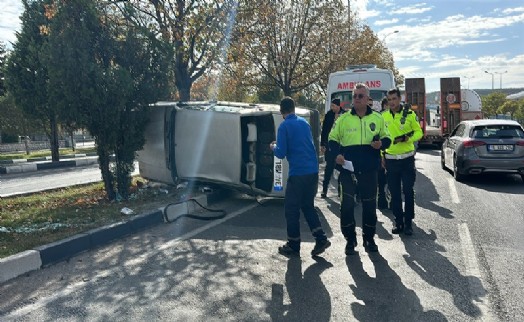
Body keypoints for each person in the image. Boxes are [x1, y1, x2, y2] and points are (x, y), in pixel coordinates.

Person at [328, 83, 391, 254]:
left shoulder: (378, 118)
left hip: (370, 171)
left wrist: (381, 144)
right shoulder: (343, 119)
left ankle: (369, 239)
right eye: (354, 96)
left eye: (360, 96)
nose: (356, 99)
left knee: (370, 207)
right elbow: (332, 141)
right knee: (346, 206)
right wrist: (337, 156)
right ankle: (350, 240)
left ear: (367, 98)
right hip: (348, 171)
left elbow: (387, 139)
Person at [270, 97, 331, 257]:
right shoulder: (304, 123)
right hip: (312, 171)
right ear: (294, 108)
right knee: (307, 205)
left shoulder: (284, 126)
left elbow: (281, 153)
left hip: (298, 173)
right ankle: (320, 238)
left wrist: (273, 146)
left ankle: (293, 243)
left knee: (291, 209)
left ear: (282, 111)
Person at [382, 88, 423, 236]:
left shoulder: (410, 114)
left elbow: (419, 132)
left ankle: (408, 222)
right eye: (389, 99)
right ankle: (398, 221)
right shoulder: (383, 116)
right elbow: (380, 137)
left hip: (407, 160)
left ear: (400, 99)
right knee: (394, 193)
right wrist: (382, 156)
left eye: (394, 99)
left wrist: (408, 138)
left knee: (408, 191)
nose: (391, 102)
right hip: (391, 160)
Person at [320, 98, 344, 198]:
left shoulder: (344, 115)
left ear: (338, 106)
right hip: (329, 145)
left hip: (340, 146)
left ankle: (340, 191)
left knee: (340, 170)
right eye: (331, 106)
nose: (332, 108)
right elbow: (324, 130)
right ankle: (324, 190)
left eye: (334, 106)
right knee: (329, 168)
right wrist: (323, 144)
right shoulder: (329, 115)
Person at [377, 97, 390, 209]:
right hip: (382, 154)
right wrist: (381, 156)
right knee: (381, 180)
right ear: (384, 105)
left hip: (392, 153)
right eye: (388, 105)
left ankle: (389, 202)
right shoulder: (379, 118)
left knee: (390, 180)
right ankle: (382, 201)